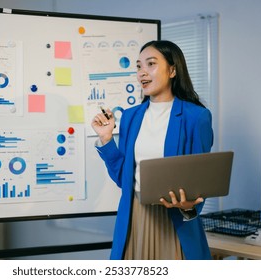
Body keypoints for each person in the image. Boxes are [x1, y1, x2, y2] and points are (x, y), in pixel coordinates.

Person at [91, 40, 213, 260]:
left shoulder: (196, 117)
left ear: (173, 70)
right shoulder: (130, 117)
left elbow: (201, 181)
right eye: (139, 66)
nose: (142, 73)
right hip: (134, 219)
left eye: (151, 64)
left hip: (174, 223)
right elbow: (123, 179)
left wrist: (188, 206)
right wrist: (107, 139)